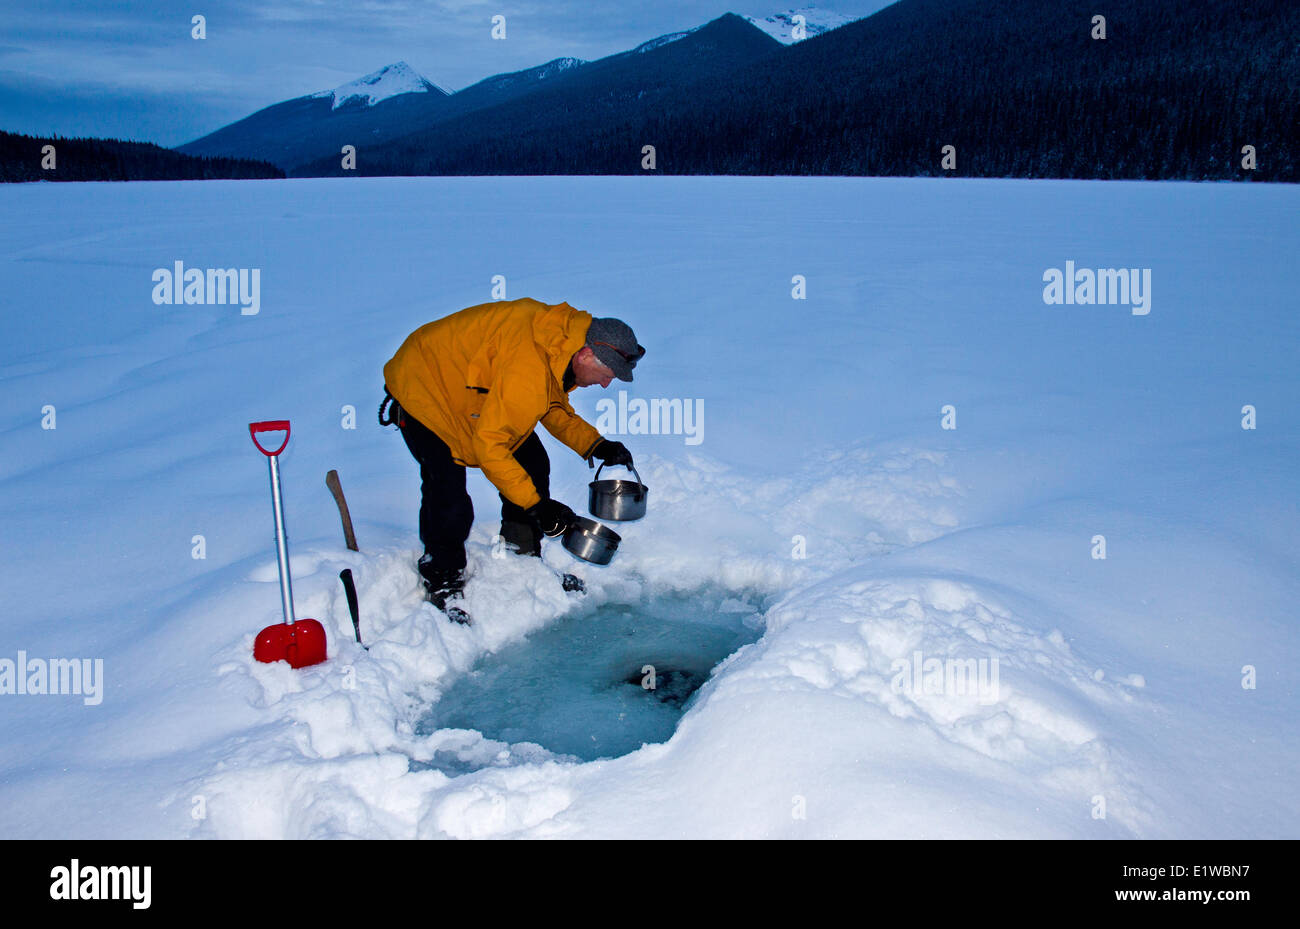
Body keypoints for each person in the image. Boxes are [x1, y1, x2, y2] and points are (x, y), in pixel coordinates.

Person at [380, 298, 644, 623]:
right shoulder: (529, 365)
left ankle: (522, 556)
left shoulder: (559, 342)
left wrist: (596, 444)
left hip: (470, 390)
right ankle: (442, 580)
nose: (606, 383)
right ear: (587, 354)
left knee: (533, 461)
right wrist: (537, 505)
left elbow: (550, 405)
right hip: (425, 386)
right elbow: (491, 447)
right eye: (607, 375)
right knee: (447, 490)